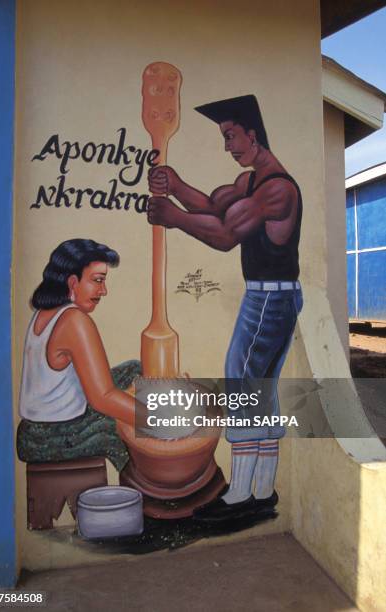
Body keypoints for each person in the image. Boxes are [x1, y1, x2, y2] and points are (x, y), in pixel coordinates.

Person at [147, 95, 303, 522]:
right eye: (224, 138)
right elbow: (215, 206)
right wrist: (176, 187)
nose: (228, 146)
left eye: (231, 136)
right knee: (260, 393)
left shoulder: (277, 190)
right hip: (272, 294)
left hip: (269, 297)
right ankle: (263, 490)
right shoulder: (250, 183)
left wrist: (173, 217)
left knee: (240, 385)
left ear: (253, 135)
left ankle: (239, 497)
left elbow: (226, 233)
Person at [17, 238, 144, 472]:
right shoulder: (74, 321)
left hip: (38, 427)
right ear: (73, 282)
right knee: (119, 431)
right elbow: (103, 397)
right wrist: (161, 421)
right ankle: (143, 498)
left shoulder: (48, 310)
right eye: (97, 281)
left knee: (135, 369)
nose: (103, 290)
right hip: (50, 436)